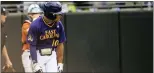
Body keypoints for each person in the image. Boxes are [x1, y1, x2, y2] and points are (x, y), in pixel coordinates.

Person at [27, 1, 66, 72]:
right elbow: (32, 45)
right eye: (58, 14)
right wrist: (35, 63)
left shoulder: (59, 25)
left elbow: (60, 44)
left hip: (52, 55)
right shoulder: (35, 25)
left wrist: (60, 62)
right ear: (51, 15)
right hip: (38, 55)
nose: (60, 16)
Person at [21, 4, 43, 72]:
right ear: (29, 14)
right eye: (34, 13)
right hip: (28, 52)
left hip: (38, 53)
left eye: (38, 13)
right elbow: (31, 34)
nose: (37, 15)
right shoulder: (26, 24)